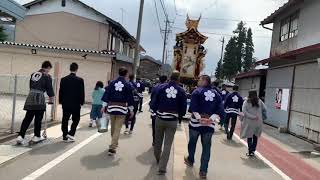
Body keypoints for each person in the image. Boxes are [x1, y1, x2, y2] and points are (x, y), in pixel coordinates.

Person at [184, 75, 224, 179]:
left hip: (195, 123)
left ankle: (190, 159)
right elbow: (220, 109)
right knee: (206, 147)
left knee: (192, 142)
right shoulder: (217, 94)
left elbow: (193, 107)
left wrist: (199, 118)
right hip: (209, 125)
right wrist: (211, 119)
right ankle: (203, 171)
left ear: (205, 81)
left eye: (200, 80)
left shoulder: (197, 91)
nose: (198, 81)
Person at [150, 71, 187, 175]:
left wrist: (154, 110)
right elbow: (183, 107)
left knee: (158, 141)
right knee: (168, 144)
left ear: (170, 77)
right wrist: (180, 115)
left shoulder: (161, 88)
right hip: (172, 120)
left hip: (160, 118)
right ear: (178, 79)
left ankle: (158, 157)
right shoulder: (181, 90)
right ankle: (162, 168)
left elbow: (154, 102)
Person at [16, 61, 55, 145]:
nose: (49, 71)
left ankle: (20, 136)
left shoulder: (33, 74)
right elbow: (49, 89)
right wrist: (51, 100)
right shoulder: (47, 76)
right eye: (49, 69)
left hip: (31, 96)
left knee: (28, 117)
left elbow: (30, 86)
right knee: (38, 117)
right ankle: (36, 136)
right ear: (48, 67)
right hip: (39, 97)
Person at [101, 67, 134, 156]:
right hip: (122, 108)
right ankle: (112, 147)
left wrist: (103, 106)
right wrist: (131, 110)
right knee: (118, 128)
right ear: (126, 74)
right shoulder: (127, 85)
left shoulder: (112, 83)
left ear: (118, 73)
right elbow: (130, 98)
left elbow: (106, 94)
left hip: (112, 107)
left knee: (113, 127)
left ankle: (114, 142)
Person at [59, 63, 85, 142]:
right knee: (76, 119)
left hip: (65, 103)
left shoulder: (63, 79)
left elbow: (61, 91)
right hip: (76, 104)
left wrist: (60, 101)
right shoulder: (80, 80)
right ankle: (71, 133)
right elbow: (82, 92)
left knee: (65, 119)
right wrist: (82, 101)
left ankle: (64, 136)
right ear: (76, 69)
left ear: (70, 69)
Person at [240, 90, 267, 157]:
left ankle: (250, 151)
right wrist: (261, 116)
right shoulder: (259, 101)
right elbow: (265, 109)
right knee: (255, 136)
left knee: (249, 136)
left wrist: (252, 116)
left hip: (249, 122)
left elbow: (244, 111)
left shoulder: (246, 102)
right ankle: (253, 150)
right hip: (258, 122)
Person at [149, 75, 167, 146]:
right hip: (164, 111)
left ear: (159, 80)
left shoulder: (155, 87)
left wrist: (151, 108)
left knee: (154, 126)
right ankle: (160, 141)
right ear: (166, 80)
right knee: (163, 128)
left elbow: (152, 97)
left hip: (155, 110)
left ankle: (154, 141)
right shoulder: (167, 87)